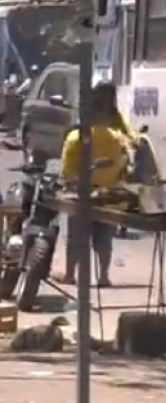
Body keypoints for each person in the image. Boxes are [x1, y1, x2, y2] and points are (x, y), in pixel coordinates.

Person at [55, 82, 130, 288]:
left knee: (77, 238)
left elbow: (66, 173)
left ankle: (71, 274)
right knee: (104, 239)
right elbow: (127, 155)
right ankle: (104, 276)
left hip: (82, 194)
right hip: (109, 195)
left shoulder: (75, 138)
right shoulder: (116, 136)